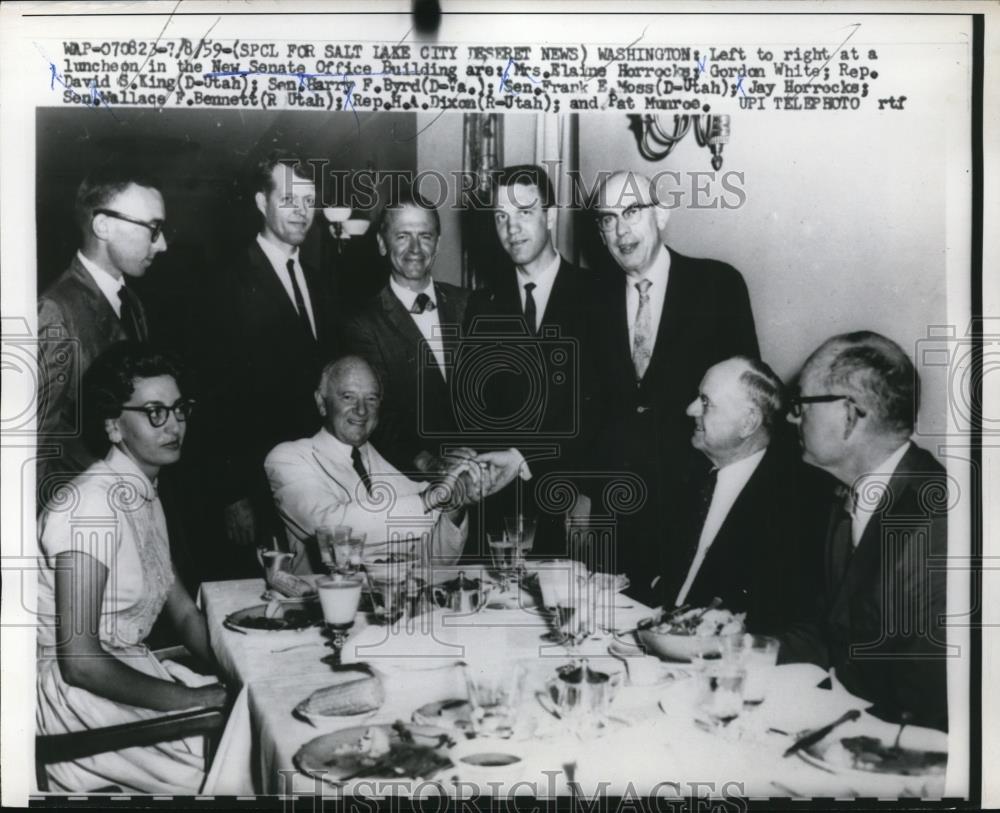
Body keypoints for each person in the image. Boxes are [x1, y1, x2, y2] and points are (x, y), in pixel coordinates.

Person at [35, 343, 228, 793]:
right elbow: (80, 661)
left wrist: (242, 676)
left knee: (251, 719)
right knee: (238, 760)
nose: (175, 424)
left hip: (128, 676)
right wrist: (197, 698)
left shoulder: (141, 492)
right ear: (113, 425)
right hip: (80, 705)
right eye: (154, 412)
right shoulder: (90, 506)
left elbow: (181, 611)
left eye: (179, 409)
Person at [584, 170, 759, 602]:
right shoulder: (588, 300)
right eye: (607, 219)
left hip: (697, 505)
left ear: (662, 214)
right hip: (618, 517)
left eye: (632, 211)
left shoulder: (717, 285)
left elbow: (747, 401)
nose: (620, 230)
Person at [782, 331, 948, 730]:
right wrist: (730, 649)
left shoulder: (936, 522)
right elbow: (831, 631)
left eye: (802, 403)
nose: (792, 416)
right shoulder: (850, 495)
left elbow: (930, 704)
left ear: (849, 414)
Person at [463, 164, 602, 557]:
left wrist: (587, 491)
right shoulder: (482, 305)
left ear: (551, 216)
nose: (512, 228)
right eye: (501, 217)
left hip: (573, 501)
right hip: (501, 513)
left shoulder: (599, 296)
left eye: (524, 213)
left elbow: (603, 408)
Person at [209, 151, 340, 561]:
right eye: (288, 200)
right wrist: (233, 494)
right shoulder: (225, 283)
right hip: (257, 484)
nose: (302, 212)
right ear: (261, 203)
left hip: (319, 482)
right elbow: (215, 397)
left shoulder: (320, 284)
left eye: (308, 200)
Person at [264, 356, 494, 575]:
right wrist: (431, 498)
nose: (362, 410)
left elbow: (432, 562)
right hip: (324, 606)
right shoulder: (289, 457)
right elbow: (328, 528)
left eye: (371, 399)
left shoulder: (389, 462)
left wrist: (455, 504)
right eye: (348, 397)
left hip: (393, 604)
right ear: (321, 402)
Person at [654, 357, 824, 633]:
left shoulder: (795, 505)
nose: (690, 409)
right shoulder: (684, 480)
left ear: (748, 423)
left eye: (705, 402)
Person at [37, 168, 167, 496]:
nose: (163, 244)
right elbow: (33, 448)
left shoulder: (133, 302)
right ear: (103, 226)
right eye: (153, 229)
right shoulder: (54, 311)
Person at [343, 188, 470, 477]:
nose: (415, 248)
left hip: (480, 476)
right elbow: (377, 414)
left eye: (425, 236)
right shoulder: (362, 323)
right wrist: (429, 463)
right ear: (381, 243)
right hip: (411, 481)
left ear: (437, 244)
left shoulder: (468, 304)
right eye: (402, 236)